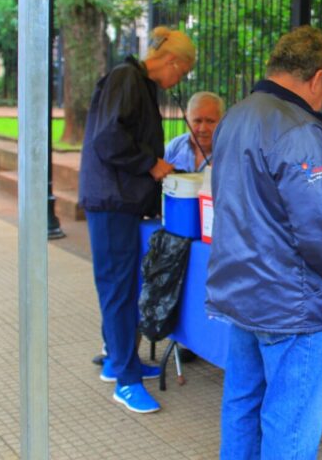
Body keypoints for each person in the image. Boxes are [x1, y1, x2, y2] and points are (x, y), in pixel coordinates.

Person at [205, 25, 322, 459]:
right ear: (318, 77)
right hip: (289, 303)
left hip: (241, 290)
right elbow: (318, 230)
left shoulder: (235, 116)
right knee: (291, 423)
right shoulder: (301, 130)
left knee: (242, 406)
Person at [79, 26, 195, 414]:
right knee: (118, 288)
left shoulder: (137, 82)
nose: (179, 81)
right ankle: (125, 380)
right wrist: (151, 164)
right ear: (172, 61)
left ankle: (118, 360)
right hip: (112, 200)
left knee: (123, 285)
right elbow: (108, 138)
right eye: (182, 73)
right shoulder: (127, 78)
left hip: (121, 201)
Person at [164, 91, 225, 172]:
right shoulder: (175, 147)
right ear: (187, 120)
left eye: (210, 121)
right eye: (197, 121)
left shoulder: (231, 153)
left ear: (223, 121)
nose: (203, 129)